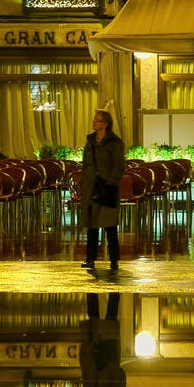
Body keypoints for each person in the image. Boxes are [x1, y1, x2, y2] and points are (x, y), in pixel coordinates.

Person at [80, 110, 125, 270]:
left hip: (107, 188)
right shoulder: (90, 141)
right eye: (94, 120)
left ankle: (114, 259)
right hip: (91, 187)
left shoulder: (115, 142)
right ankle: (90, 258)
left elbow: (119, 165)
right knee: (92, 225)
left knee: (109, 226)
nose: (94, 122)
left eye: (97, 120)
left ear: (105, 124)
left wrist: (110, 181)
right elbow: (86, 164)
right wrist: (84, 181)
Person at [79, 292, 126, 387]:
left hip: (93, 352)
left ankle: (91, 284)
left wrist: (84, 353)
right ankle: (114, 283)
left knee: (93, 315)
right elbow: (120, 375)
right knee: (111, 315)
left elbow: (86, 375)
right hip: (107, 352)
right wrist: (106, 369)